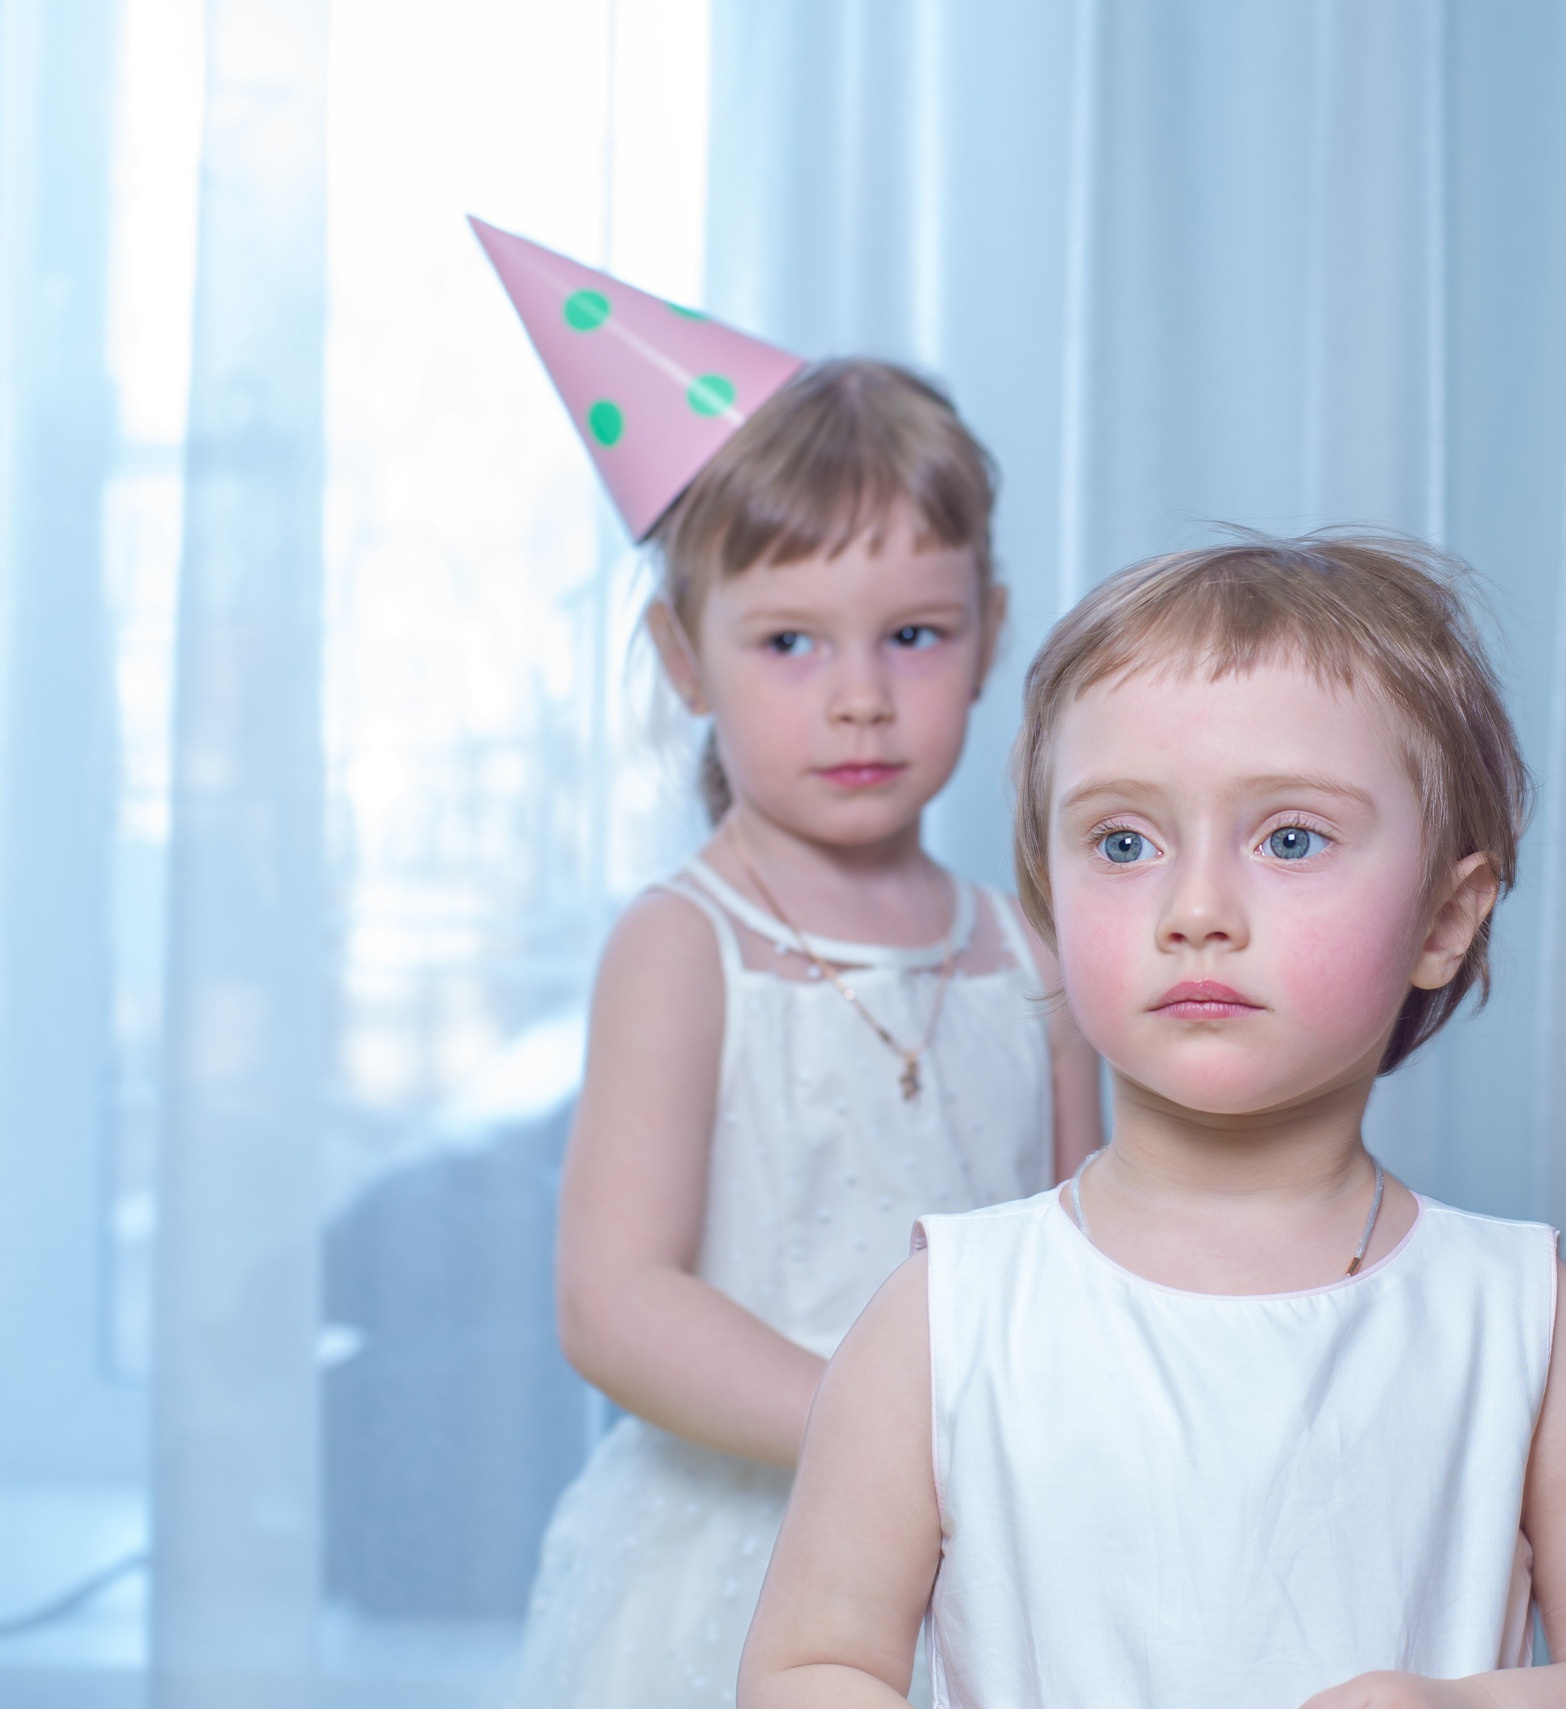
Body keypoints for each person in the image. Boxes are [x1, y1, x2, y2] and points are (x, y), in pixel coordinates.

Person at [738, 534, 1566, 1709]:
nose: (1195, 908)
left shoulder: (1516, 1318)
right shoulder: (949, 1318)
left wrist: (1459, 1704)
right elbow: (811, 1663)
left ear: (1445, 916)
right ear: (1051, 903)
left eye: (1291, 838)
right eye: (1123, 842)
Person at [484, 280, 1105, 1707]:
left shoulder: (1034, 954)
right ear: (681, 658)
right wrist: (877, 1434)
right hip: (742, 1553)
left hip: (984, 1551)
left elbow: (1080, 1255)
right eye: (790, 641)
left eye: (914, 634)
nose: (861, 695)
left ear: (992, 628)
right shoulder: (683, 945)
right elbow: (616, 1300)